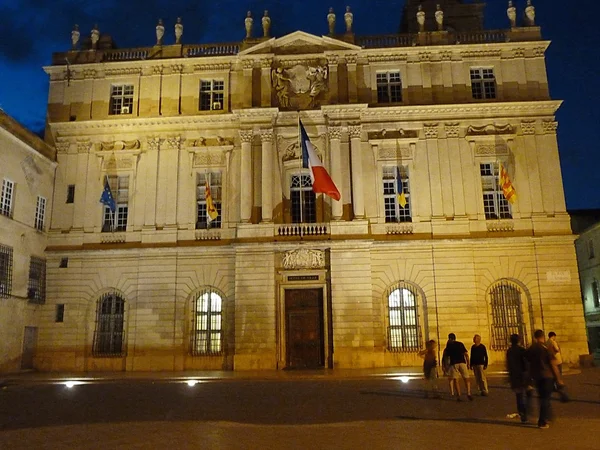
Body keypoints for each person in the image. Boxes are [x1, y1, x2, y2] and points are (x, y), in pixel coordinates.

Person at [526, 329, 563, 429]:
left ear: (534, 337)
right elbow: (552, 363)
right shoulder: (545, 348)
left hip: (536, 377)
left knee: (542, 397)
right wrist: (558, 378)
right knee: (545, 399)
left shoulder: (531, 348)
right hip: (547, 376)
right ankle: (542, 421)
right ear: (543, 336)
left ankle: (547, 416)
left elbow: (528, 363)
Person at [506, 334, 533, 423]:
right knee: (527, 394)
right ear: (519, 341)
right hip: (523, 375)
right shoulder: (522, 350)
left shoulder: (509, 351)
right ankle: (526, 411)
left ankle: (522, 413)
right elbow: (526, 363)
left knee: (519, 396)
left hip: (514, 376)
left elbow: (508, 365)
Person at [443, 333, 472, 401]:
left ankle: (459, 395)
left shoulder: (449, 346)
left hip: (454, 364)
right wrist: (468, 363)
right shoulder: (460, 344)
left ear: (449, 338)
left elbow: (446, 356)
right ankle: (468, 393)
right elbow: (466, 354)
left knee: (456, 380)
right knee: (466, 378)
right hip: (462, 362)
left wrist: (445, 366)